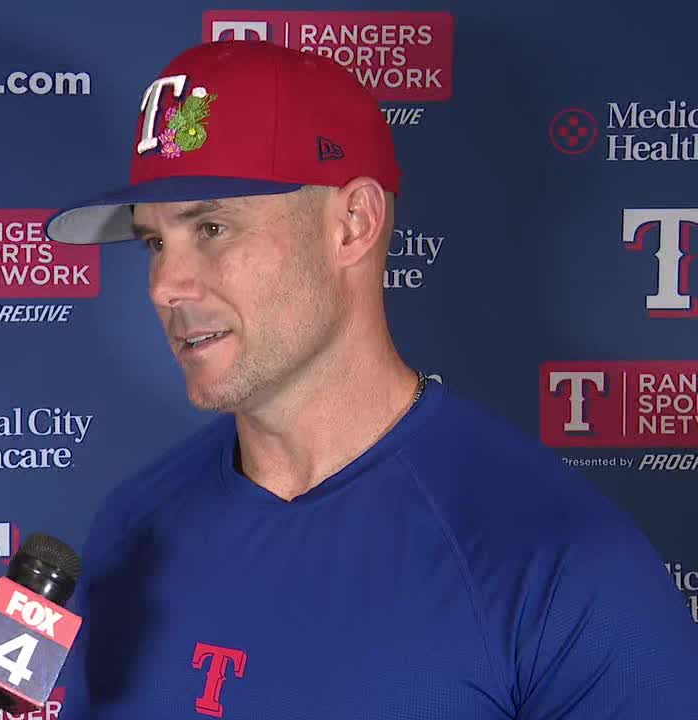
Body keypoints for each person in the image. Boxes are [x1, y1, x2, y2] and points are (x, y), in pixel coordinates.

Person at [42, 39, 698, 719]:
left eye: (211, 226)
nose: (164, 285)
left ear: (353, 224)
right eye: (154, 242)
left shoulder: (561, 563)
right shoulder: (133, 525)